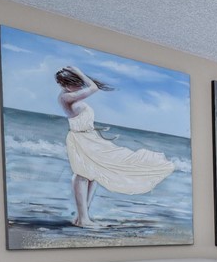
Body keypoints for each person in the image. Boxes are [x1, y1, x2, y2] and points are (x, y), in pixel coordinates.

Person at [56, 65, 174, 227]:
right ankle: (83, 219)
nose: (78, 85)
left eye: (77, 82)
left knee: (93, 175)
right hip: (81, 138)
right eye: (74, 82)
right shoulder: (66, 97)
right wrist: (79, 72)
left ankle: (82, 217)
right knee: (82, 174)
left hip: (90, 137)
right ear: (65, 84)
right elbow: (94, 87)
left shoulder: (72, 96)